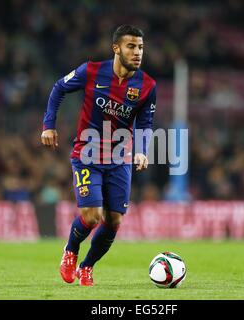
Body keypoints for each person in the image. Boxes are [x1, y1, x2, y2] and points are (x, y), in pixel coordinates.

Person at [41, 25, 157, 286]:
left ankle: (87, 266)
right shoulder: (91, 71)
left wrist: (141, 151)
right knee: (92, 216)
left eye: (140, 47)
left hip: (119, 160)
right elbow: (59, 88)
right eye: (131, 46)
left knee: (114, 221)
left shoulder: (148, 85)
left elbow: (145, 123)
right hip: (87, 155)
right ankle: (70, 251)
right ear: (116, 48)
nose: (137, 52)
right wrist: (48, 125)